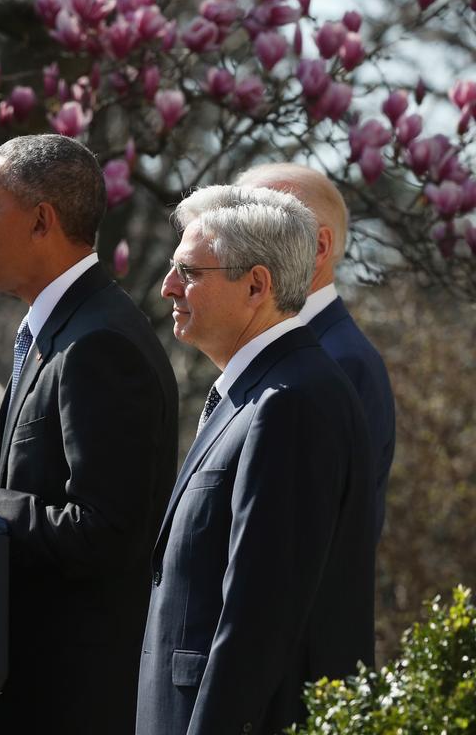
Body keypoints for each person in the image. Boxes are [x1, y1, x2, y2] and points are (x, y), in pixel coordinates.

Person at [0, 134, 179, 734]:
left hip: (74, 703)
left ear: (42, 221)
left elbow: (105, 532)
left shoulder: (99, 344)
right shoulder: (63, 330)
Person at [136, 186, 375, 735]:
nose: (167, 286)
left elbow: (258, 616)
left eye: (189, 272)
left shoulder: (291, 401)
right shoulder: (262, 391)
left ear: (256, 284)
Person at [237, 164, 396, 538]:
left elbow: (316, 535)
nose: (233, 248)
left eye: (257, 229)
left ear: (319, 247)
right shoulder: (276, 343)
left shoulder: (343, 361)